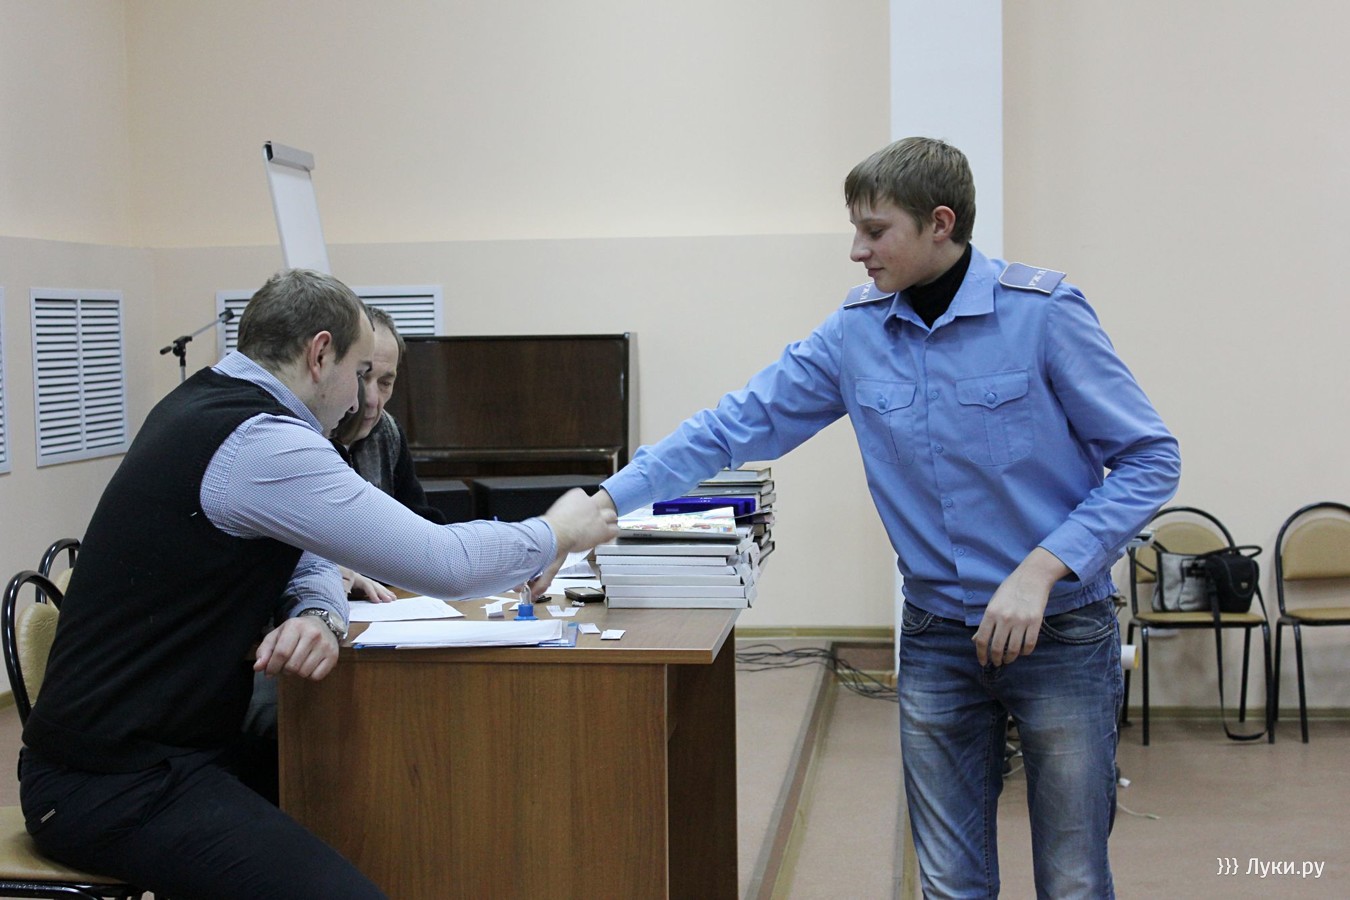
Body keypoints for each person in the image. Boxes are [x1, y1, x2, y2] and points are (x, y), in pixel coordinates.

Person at [593, 137, 1180, 898]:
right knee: (949, 881)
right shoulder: (856, 332)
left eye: (875, 231)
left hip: (1062, 631)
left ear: (940, 223)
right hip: (938, 635)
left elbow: (1150, 459)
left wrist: (1043, 568)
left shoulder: (1043, 315)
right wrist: (603, 503)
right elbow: (735, 424)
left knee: (1072, 878)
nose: (856, 251)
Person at [19, 268, 617, 899]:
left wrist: (318, 614)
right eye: (360, 373)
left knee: (365, 807)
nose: (360, 402)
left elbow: (310, 558)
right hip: (115, 782)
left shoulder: (209, 402)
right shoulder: (264, 442)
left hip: (154, 754)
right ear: (320, 354)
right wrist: (556, 530)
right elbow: (443, 564)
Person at [332, 305, 444, 523]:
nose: (372, 400)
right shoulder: (303, 435)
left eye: (385, 383)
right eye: (361, 376)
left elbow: (419, 520)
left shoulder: (388, 432)